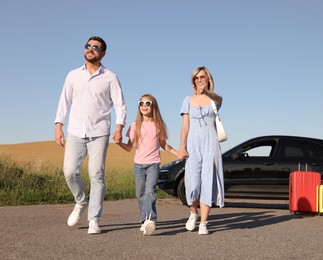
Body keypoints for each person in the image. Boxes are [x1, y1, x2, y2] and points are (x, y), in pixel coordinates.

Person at [54, 36, 127, 234]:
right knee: (69, 171)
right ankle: (80, 202)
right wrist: (58, 126)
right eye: (88, 46)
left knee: (96, 175)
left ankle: (94, 220)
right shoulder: (73, 75)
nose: (91, 49)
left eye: (96, 47)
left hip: (99, 132)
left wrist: (119, 126)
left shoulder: (110, 77)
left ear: (103, 53)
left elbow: (120, 104)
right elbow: (64, 102)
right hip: (75, 131)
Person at [115, 94, 178, 236]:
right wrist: (119, 143)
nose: (144, 106)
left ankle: (151, 220)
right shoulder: (134, 125)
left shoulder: (159, 125)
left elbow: (164, 145)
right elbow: (129, 147)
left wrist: (177, 153)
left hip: (153, 165)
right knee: (140, 194)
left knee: (150, 192)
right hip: (138, 165)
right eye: (141, 103)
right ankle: (144, 221)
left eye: (147, 103)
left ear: (153, 106)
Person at [177, 66, 225, 235]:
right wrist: (181, 146)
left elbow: (219, 99)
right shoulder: (187, 100)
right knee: (192, 181)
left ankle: (204, 223)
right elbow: (185, 125)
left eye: (202, 77)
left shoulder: (214, 99)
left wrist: (206, 92)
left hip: (210, 144)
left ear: (208, 79)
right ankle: (193, 213)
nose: (199, 80)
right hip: (192, 144)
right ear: (193, 81)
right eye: (196, 78)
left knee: (207, 181)